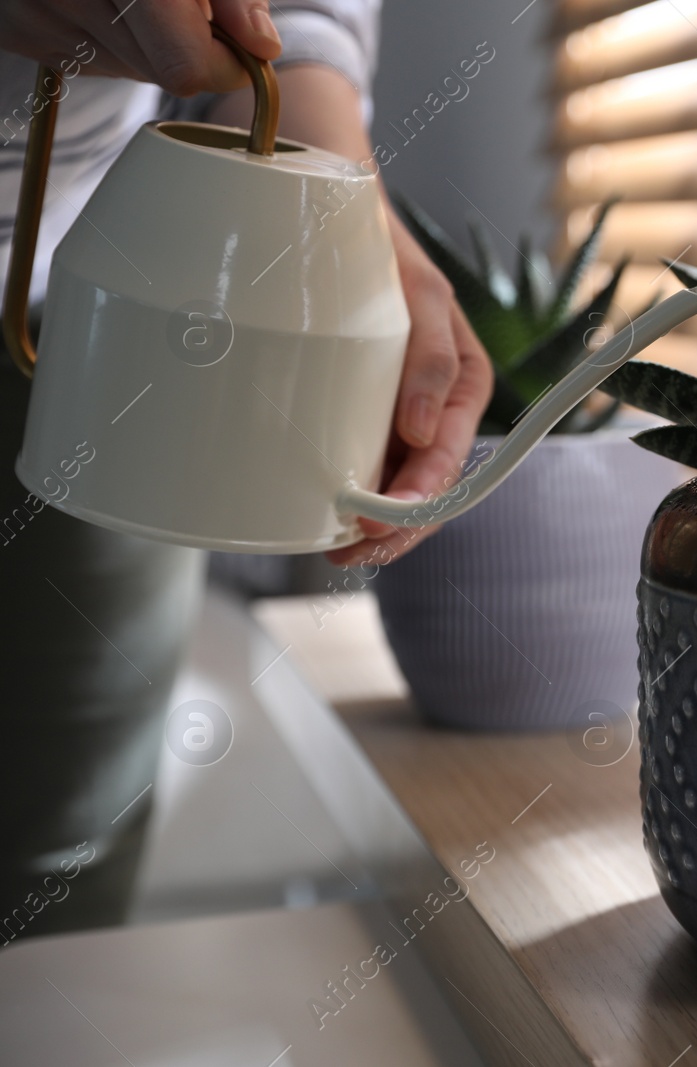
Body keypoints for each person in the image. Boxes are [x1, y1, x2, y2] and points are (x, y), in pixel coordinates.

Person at [0, 0, 490, 940]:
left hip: (93, 328)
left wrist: (348, 219)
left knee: (54, 884)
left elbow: (286, 29)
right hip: (94, 288)